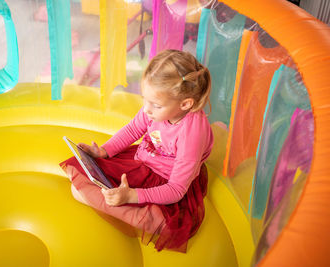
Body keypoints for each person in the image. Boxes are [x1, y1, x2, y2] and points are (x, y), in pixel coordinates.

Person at [60, 49, 214, 252]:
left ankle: (150, 219)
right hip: (140, 160)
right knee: (78, 183)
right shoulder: (152, 109)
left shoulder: (192, 133)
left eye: (156, 105)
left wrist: (131, 196)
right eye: (145, 99)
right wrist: (104, 151)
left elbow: (176, 189)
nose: (146, 109)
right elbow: (133, 129)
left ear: (185, 104)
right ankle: (125, 208)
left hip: (165, 182)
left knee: (165, 224)